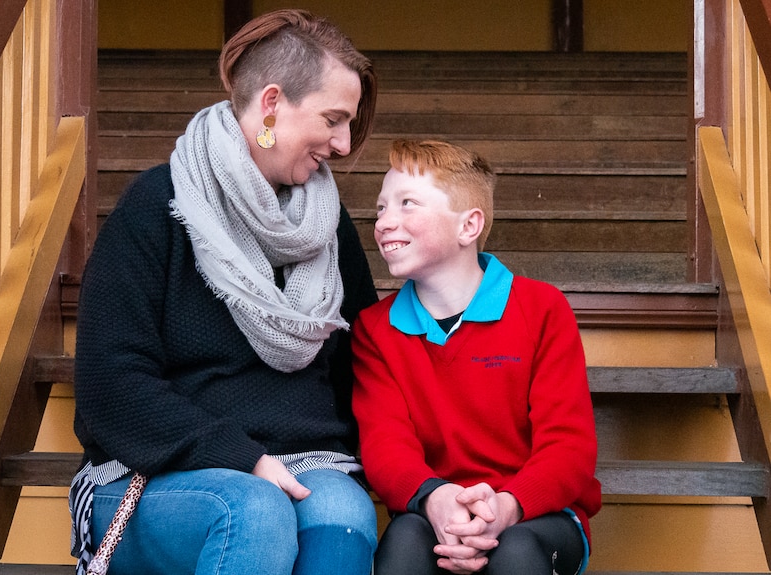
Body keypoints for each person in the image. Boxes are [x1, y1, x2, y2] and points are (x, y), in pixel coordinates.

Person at [68, 9, 379, 575]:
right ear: (271, 104)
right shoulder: (156, 208)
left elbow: (365, 366)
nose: (342, 143)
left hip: (310, 462)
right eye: (334, 119)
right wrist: (244, 458)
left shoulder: (329, 229)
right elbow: (109, 384)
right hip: (157, 473)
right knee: (254, 512)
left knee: (344, 512)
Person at [351, 139, 601, 575]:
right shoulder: (375, 329)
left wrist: (505, 508)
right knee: (405, 543)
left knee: (515, 551)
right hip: (432, 514)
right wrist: (437, 500)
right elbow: (384, 444)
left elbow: (569, 446)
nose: (385, 222)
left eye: (407, 204)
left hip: (535, 516)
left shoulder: (541, 309)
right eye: (381, 208)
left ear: (469, 227)